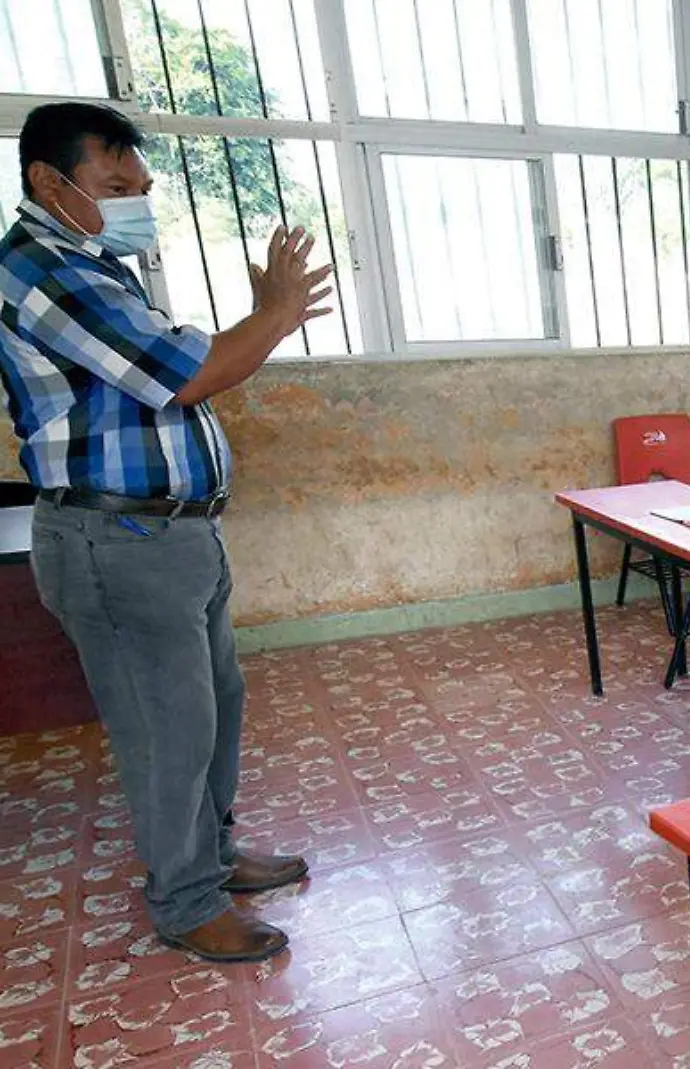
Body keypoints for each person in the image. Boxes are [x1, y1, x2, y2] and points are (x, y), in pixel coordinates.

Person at [0, 103, 332, 962]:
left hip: (173, 537)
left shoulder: (98, 266)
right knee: (166, 731)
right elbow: (188, 373)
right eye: (116, 186)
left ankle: (212, 857)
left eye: (140, 188)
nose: (134, 202)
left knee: (213, 708)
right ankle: (186, 902)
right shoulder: (43, 272)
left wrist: (264, 314)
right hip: (116, 546)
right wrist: (277, 312)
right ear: (48, 180)